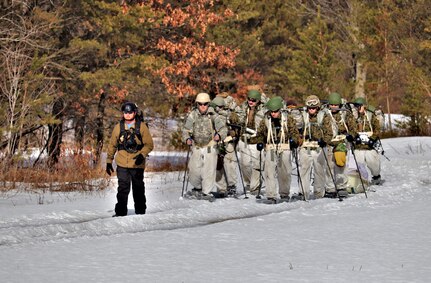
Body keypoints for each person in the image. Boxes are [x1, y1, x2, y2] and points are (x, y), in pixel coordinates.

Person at [106, 102, 154, 217]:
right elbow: (112, 145)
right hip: (122, 163)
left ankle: (140, 212)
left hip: (137, 164)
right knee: (122, 189)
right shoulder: (118, 127)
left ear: (134, 113)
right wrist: (108, 161)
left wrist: (142, 155)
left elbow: (149, 145)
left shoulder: (141, 126)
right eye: (125, 112)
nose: (127, 114)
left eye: (130, 112)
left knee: (138, 189)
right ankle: (120, 212)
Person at [182, 93, 227, 200]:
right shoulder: (192, 115)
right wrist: (187, 138)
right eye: (200, 104)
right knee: (194, 170)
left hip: (210, 146)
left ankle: (206, 192)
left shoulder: (213, 115)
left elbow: (223, 129)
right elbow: (185, 130)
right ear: (197, 104)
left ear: (209, 104)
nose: (203, 106)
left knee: (209, 170)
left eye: (205, 104)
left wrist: (219, 135)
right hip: (197, 146)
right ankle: (197, 188)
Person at [256, 96, 300, 203]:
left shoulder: (288, 119)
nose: (273, 114)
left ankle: (284, 193)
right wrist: (260, 142)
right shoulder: (266, 119)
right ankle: (271, 195)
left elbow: (295, 132)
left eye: (275, 111)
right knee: (269, 171)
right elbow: (260, 134)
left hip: (284, 146)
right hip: (271, 146)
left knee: (285, 171)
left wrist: (294, 141)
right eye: (271, 111)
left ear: (280, 110)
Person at [298, 95, 333, 200]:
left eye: (313, 108)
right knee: (304, 170)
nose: (311, 110)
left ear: (318, 107)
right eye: (309, 108)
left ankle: (319, 192)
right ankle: (303, 192)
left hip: (319, 147)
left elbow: (329, 132)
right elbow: (296, 129)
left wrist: (324, 141)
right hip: (305, 146)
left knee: (319, 170)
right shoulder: (302, 116)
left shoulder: (324, 116)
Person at [324, 92, 358, 198]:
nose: (334, 107)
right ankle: (330, 188)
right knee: (329, 165)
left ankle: (341, 186)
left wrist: (351, 136)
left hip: (342, 142)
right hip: (329, 142)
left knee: (341, 164)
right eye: (332, 105)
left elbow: (352, 127)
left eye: (336, 105)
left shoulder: (345, 114)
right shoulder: (324, 114)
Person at [236, 89, 267, 195]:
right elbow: (237, 119)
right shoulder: (243, 107)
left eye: (253, 100)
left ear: (258, 101)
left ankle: (255, 186)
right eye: (249, 99)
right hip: (244, 141)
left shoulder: (263, 110)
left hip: (257, 142)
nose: (251, 101)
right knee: (244, 164)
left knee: (257, 165)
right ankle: (249, 183)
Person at [211, 96, 240, 197]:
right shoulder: (211, 116)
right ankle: (221, 189)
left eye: (220, 107)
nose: (219, 109)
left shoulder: (230, 115)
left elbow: (238, 128)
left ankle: (232, 186)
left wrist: (233, 133)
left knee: (230, 164)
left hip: (228, 142)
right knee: (218, 165)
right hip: (216, 143)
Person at [352, 97, 383, 185]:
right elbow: (351, 128)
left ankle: (376, 176)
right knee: (359, 164)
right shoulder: (354, 117)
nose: (358, 109)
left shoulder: (370, 115)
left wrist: (372, 139)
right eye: (356, 107)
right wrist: (355, 138)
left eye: (359, 106)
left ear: (364, 106)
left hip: (370, 146)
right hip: (358, 146)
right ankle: (362, 180)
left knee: (373, 164)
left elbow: (377, 128)